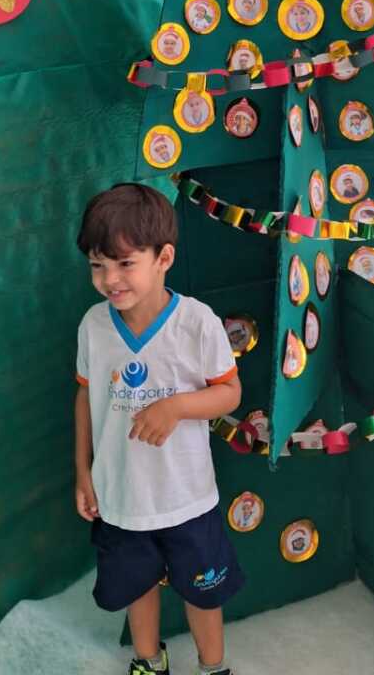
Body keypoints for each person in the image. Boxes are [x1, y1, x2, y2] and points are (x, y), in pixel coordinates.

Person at [75, 185, 243, 675]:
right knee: (137, 586)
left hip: (187, 497)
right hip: (121, 498)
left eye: (125, 263)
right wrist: (83, 471)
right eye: (97, 265)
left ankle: (212, 666)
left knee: (203, 593)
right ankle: (149, 661)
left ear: (163, 258)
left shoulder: (197, 323)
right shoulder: (94, 326)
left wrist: (176, 407)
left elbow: (230, 393)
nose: (110, 279)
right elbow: (85, 397)